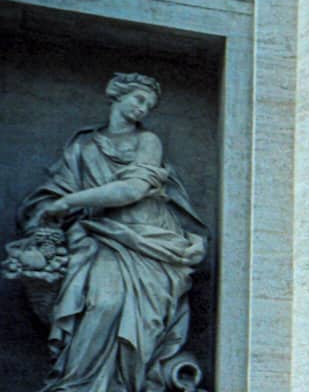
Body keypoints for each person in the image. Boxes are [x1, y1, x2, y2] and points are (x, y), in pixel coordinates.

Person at [9, 72, 207, 391]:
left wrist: (68, 202)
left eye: (149, 105)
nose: (143, 108)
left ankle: (125, 384)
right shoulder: (83, 146)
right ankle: (78, 384)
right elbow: (57, 190)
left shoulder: (148, 141)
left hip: (148, 241)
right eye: (138, 99)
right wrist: (48, 209)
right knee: (102, 303)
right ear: (117, 95)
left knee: (140, 319)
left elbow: (132, 189)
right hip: (96, 236)